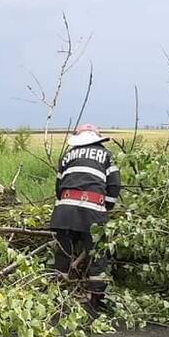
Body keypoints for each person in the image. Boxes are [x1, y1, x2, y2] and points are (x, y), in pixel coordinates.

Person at [50, 124, 121, 313]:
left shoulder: (67, 155)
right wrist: (106, 207)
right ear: (97, 137)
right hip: (92, 214)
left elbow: (59, 187)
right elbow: (114, 185)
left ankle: (56, 297)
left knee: (63, 254)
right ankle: (94, 302)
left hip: (64, 212)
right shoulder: (105, 155)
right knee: (97, 256)